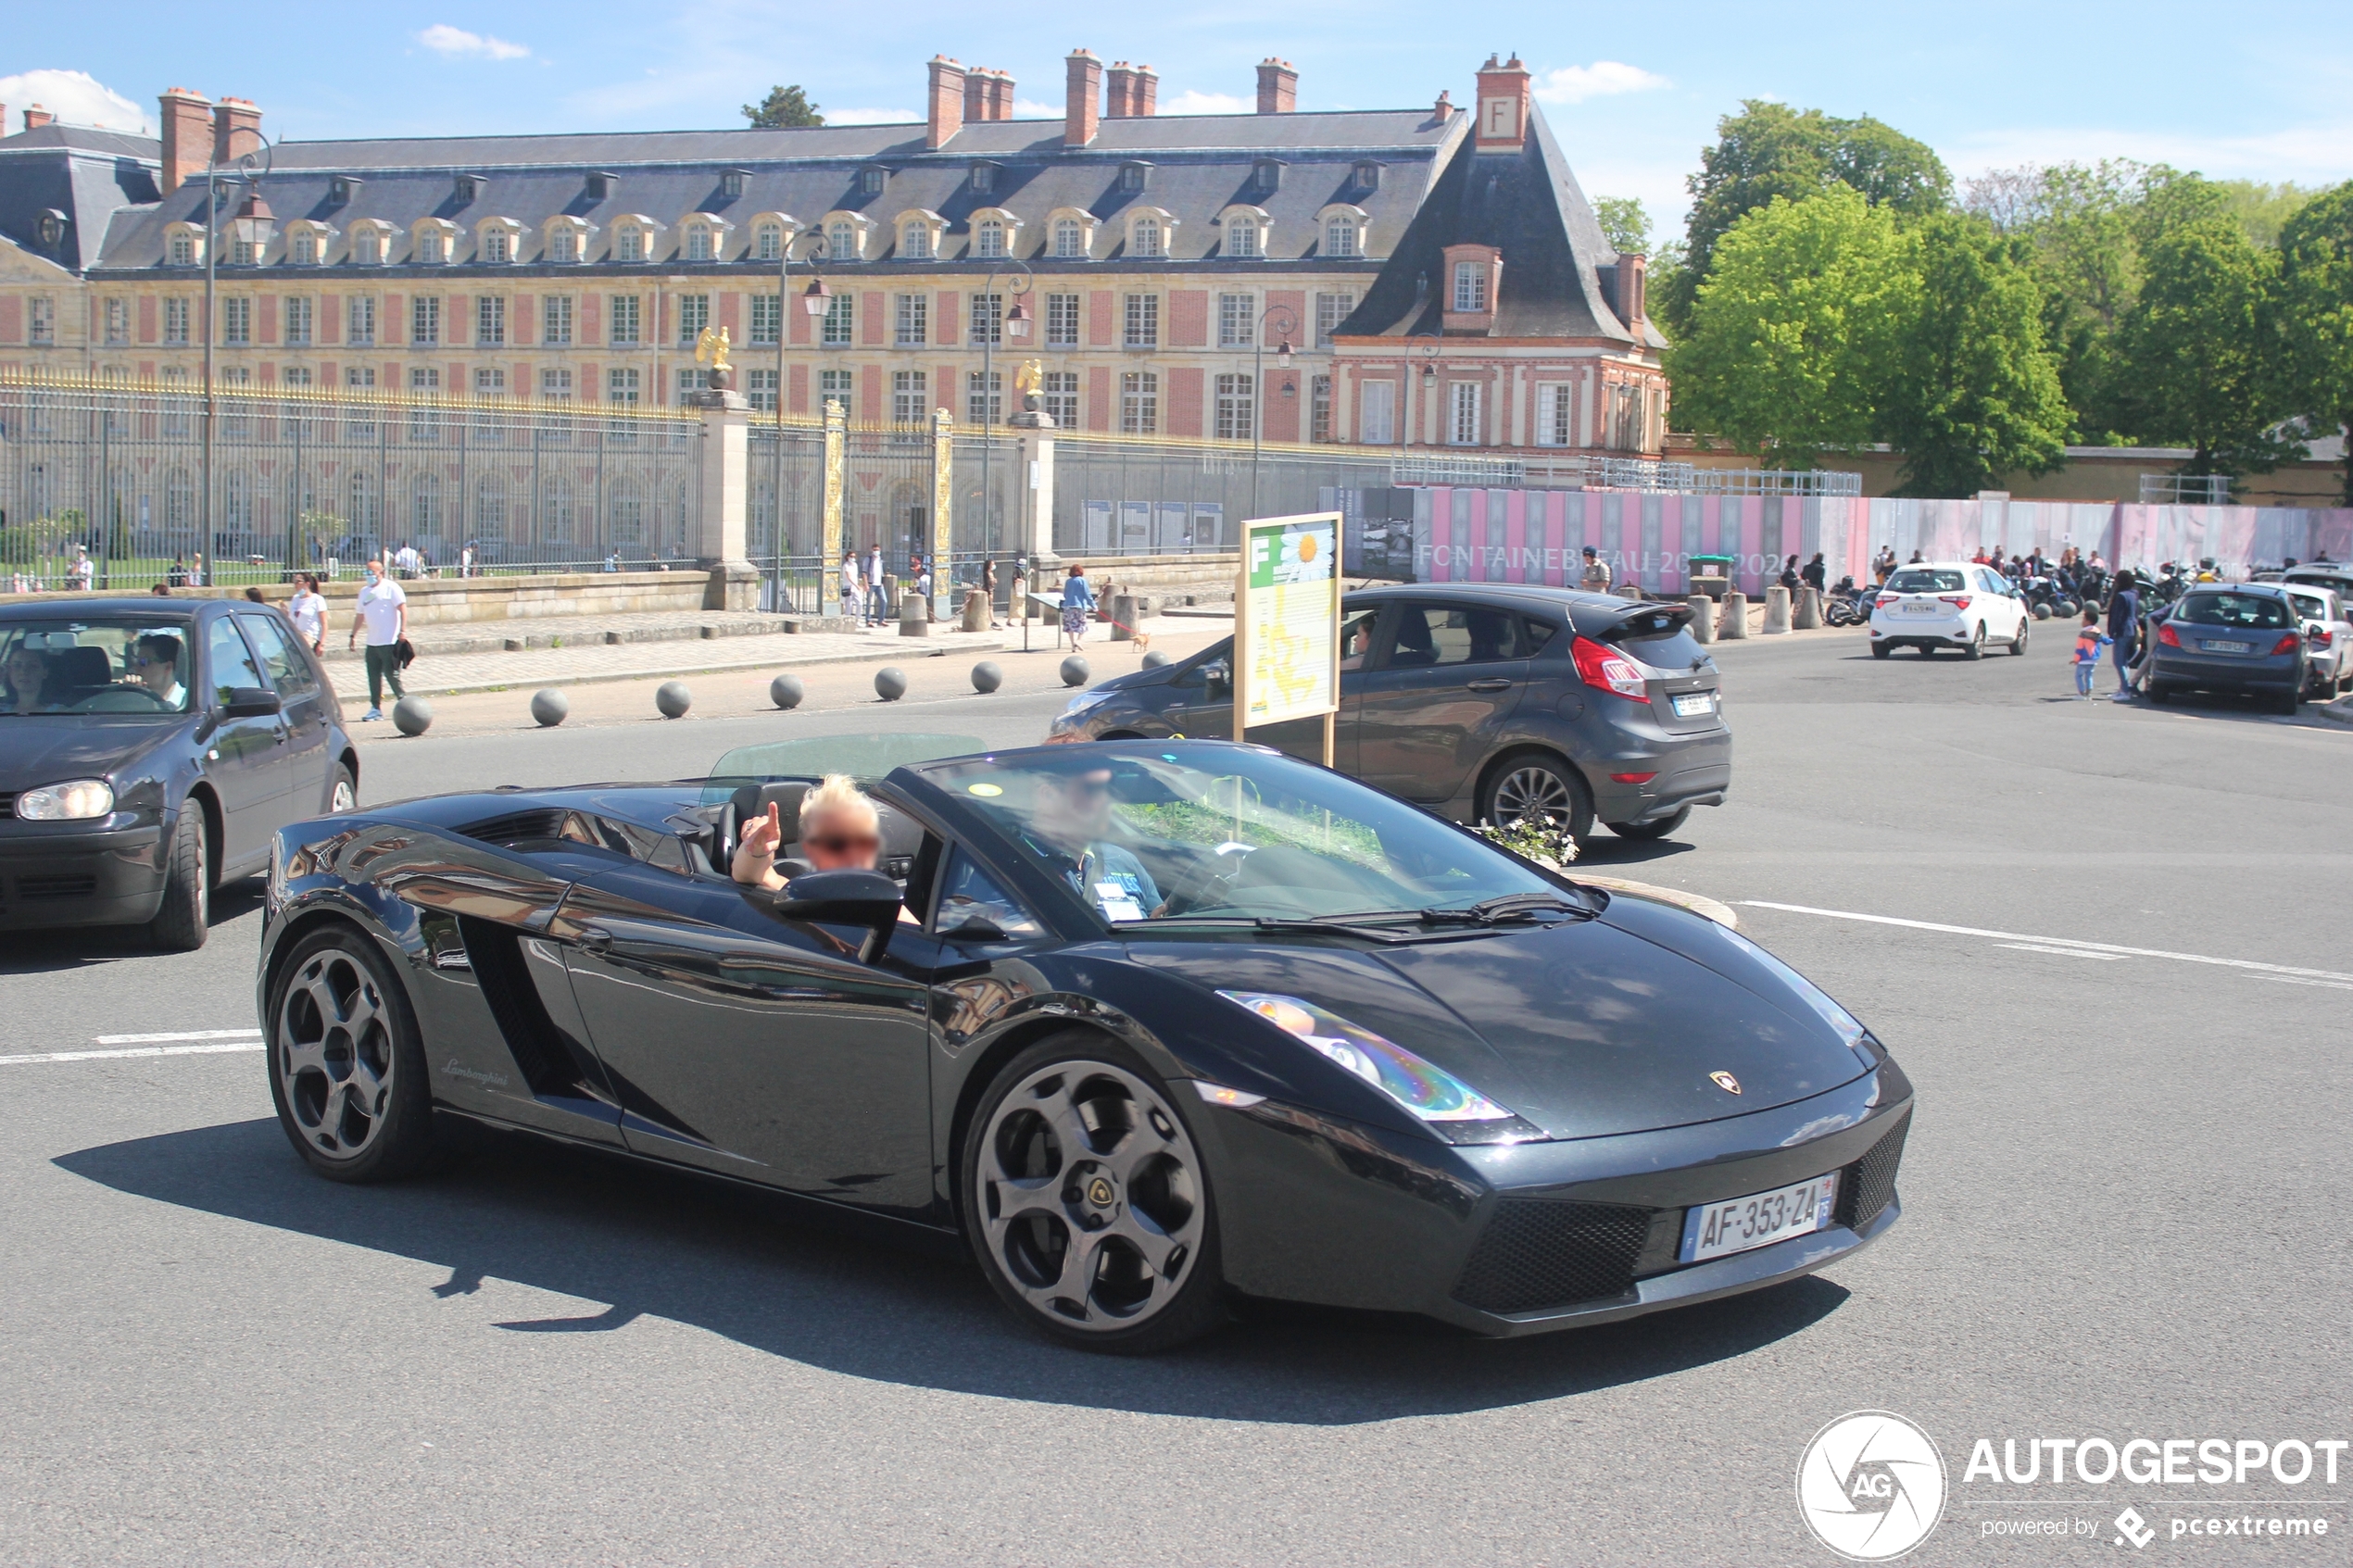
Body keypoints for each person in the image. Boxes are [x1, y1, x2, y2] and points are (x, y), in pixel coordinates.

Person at [731, 775, 920, 924]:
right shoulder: (799, 895)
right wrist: (757, 851)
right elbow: (749, 874)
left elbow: (921, 945)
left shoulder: (886, 901)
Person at [1025, 756, 1163, 921]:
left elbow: (1160, 922)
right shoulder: (1007, 863)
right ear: (1048, 795)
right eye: (1091, 789)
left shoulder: (1124, 861)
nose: (1105, 800)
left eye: (1108, 789)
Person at [349, 557, 409, 721]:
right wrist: (353, 635)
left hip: (389, 641)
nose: (369, 575)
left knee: (391, 674)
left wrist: (402, 631)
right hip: (372, 642)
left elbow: (403, 609)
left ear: (381, 573)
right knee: (373, 675)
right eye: (366, 572)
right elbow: (360, 615)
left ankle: (404, 701)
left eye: (372, 572)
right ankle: (375, 707)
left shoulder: (391, 588)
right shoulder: (364, 592)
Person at [2106, 568, 2139, 702]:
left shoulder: (2121, 596)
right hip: (2132, 629)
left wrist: (2111, 632)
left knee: (2119, 662)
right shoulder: (2134, 593)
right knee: (2124, 662)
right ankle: (2123, 688)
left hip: (2122, 631)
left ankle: (2125, 690)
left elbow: (2116, 617)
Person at [131, 633, 186, 708]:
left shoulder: (188, 703)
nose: (136, 667)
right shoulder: (135, 699)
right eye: (136, 661)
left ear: (167, 667)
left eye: (143, 662)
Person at [2071, 608, 2111, 700]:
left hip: (2083, 659)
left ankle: (2081, 694)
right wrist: (2114, 640)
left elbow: (2079, 648)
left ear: (2088, 621)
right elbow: (2106, 640)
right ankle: (2088, 694)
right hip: (2093, 659)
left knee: (2079, 676)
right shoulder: (2097, 632)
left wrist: (2076, 660)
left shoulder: (2083, 634)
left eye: (2083, 620)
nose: (2082, 622)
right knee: (2089, 676)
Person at [4, 646, 57, 713]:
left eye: (32, 666)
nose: (23, 672)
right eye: (17, 665)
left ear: (45, 672)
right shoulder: (2, 710)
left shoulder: (63, 712)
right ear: (8, 671)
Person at [1060, 561, 1096, 652]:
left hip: (1068, 606)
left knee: (1069, 626)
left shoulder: (1068, 581)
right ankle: (1079, 640)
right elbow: (1087, 594)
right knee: (1082, 624)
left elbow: (1065, 594)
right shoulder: (1082, 581)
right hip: (1079, 606)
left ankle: (1073, 646)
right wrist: (1093, 605)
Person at [287, 573, 329, 654]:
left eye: (298, 581)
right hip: (295, 636)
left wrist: (322, 644)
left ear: (307, 584)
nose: (295, 584)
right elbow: (293, 617)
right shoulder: (295, 598)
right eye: (294, 581)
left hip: (309, 637)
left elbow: (324, 623)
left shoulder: (317, 599)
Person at [864, 544, 887, 626]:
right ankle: (868, 620)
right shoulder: (868, 559)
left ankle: (881, 620)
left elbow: (881, 572)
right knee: (869, 603)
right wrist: (866, 584)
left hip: (879, 584)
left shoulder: (880, 560)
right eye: (874, 550)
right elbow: (864, 572)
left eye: (877, 550)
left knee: (884, 601)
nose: (876, 552)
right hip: (871, 583)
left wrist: (882, 582)